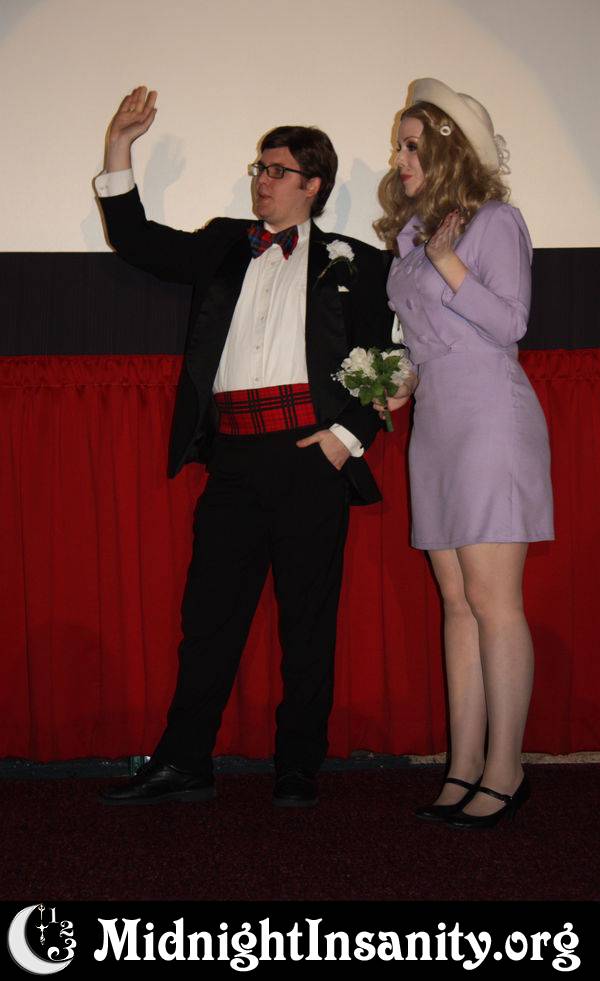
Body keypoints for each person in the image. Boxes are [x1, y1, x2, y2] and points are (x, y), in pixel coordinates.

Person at [96, 86, 392, 808]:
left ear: (312, 185)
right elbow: (137, 242)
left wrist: (347, 438)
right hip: (233, 458)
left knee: (307, 623)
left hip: (310, 460)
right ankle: (185, 760)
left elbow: (392, 357)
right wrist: (119, 146)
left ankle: (297, 765)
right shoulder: (226, 243)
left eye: (277, 170)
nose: (261, 179)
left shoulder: (356, 263)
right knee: (209, 619)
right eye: (259, 167)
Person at [375, 78, 554, 828]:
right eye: (400, 146)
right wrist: (401, 382)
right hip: (438, 423)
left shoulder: (495, 223)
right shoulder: (413, 236)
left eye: (412, 146)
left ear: (449, 150)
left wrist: (450, 261)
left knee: (492, 601)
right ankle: (464, 767)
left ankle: (506, 769)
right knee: (455, 604)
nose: (400, 158)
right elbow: (428, 339)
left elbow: (510, 324)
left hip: (490, 419)